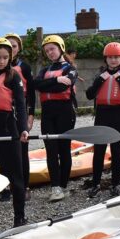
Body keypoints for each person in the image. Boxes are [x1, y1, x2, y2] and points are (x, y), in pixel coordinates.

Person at [0, 37, 29, 226]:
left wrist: (23, 129)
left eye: (5, 57)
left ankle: (19, 216)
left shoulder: (13, 76)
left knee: (15, 175)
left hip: (9, 128)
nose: (2, 61)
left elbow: (20, 104)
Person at [85, 42, 120, 198]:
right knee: (99, 150)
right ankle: (95, 184)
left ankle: (115, 183)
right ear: (105, 59)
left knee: (116, 150)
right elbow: (89, 94)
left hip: (119, 114)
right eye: (110, 57)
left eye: (116, 57)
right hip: (102, 114)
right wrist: (100, 80)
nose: (113, 60)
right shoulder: (100, 75)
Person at [32, 35, 78, 201]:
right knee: (51, 150)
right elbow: (35, 84)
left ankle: (64, 185)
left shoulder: (71, 68)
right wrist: (57, 78)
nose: (50, 52)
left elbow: (61, 88)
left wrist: (52, 83)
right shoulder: (44, 70)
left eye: (52, 49)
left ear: (61, 49)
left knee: (64, 149)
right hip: (47, 112)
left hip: (65, 111)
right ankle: (55, 187)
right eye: (47, 50)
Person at [7, 32, 35, 202]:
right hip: (3, 113)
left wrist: (30, 116)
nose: (11, 49)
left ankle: (25, 186)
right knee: (4, 151)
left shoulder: (24, 67)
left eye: (14, 46)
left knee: (22, 151)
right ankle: (6, 187)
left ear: (19, 48)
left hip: (20, 112)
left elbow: (31, 93)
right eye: (7, 46)